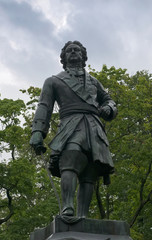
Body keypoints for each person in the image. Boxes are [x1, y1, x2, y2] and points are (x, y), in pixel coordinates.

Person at [29, 41, 117, 218]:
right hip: (70, 125)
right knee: (70, 159)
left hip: (94, 127)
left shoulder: (94, 81)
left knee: (91, 171)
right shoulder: (53, 81)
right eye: (69, 51)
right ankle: (67, 208)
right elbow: (44, 106)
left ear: (84, 57)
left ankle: (83, 215)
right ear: (64, 57)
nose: (73, 52)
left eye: (77, 50)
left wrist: (109, 108)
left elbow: (109, 100)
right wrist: (37, 132)